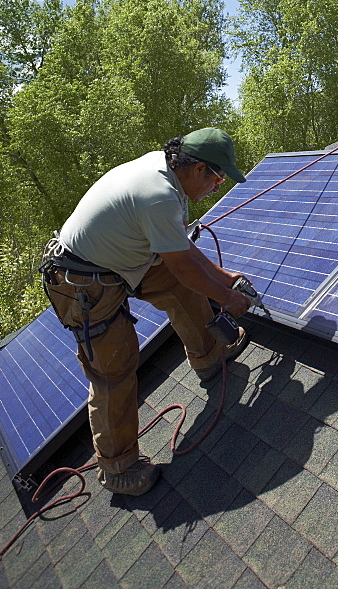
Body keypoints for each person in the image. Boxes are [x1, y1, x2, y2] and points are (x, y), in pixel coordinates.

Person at [40, 127, 252, 497]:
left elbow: (180, 252)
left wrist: (223, 277)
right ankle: (118, 469)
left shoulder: (167, 174)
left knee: (180, 289)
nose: (217, 187)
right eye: (217, 178)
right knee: (114, 368)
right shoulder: (159, 194)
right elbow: (183, 264)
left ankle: (208, 355)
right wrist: (227, 298)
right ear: (198, 168)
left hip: (122, 262)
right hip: (84, 282)